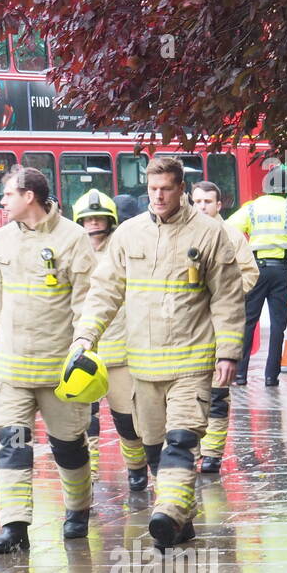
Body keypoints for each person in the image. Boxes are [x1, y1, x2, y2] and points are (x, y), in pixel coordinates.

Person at [74, 157, 245, 550]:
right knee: (153, 449)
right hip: (143, 364)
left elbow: (227, 297)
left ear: (181, 188)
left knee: (181, 441)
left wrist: (228, 352)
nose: (158, 196)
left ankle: (167, 512)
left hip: (191, 360)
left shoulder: (209, 234)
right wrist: (86, 336)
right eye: (152, 189)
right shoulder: (129, 234)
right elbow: (105, 291)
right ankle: (180, 520)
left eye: (166, 188)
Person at [0, 166, 96, 553]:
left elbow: (87, 303)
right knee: (12, 446)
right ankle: (15, 527)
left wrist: (83, 352)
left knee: (69, 446)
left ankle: (78, 509)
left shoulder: (73, 239)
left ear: (29, 196)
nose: (2, 202)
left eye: (8, 195)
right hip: (13, 371)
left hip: (59, 371)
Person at [72, 189, 149, 492]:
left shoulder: (121, 252)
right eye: (87, 219)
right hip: (80, 349)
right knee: (83, 419)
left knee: (126, 419)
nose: (93, 225)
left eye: (99, 219)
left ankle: (136, 466)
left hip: (119, 350)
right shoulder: (71, 252)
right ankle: (88, 474)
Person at [190, 182, 259, 474]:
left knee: (218, 394)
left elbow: (250, 272)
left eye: (208, 201)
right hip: (188, 325)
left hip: (219, 325)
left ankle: (213, 454)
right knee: (189, 392)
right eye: (197, 201)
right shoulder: (184, 234)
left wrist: (225, 296)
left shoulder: (230, 235)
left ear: (219, 205)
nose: (202, 206)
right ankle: (189, 450)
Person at [227, 182, 287, 386]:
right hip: (280, 270)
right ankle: (271, 376)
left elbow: (228, 228)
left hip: (256, 269)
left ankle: (240, 374)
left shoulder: (252, 207)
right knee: (278, 324)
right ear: (285, 189)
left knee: (248, 322)